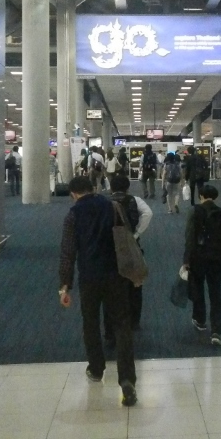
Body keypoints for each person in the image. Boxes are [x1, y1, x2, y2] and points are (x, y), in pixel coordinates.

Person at [58, 175, 137, 406]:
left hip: (89, 277)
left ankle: (96, 368)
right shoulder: (113, 206)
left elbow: (68, 252)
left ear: (73, 194)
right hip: (115, 274)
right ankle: (127, 379)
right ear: (93, 189)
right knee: (122, 324)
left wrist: (65, 285)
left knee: (90, 322)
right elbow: (126, 238)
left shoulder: (73, 215)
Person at [105, 174, 152, 342]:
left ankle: (111, 324)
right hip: (131, 245)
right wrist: (136, 233)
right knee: (135, 282)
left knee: (111, 286)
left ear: (111, 187)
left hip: (110, 247)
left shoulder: (105, 202)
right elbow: (148, 213)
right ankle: (134, 320)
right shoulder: (135, 200)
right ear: (127, 187)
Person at [183, 185, 221, 346]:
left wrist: (186, 260)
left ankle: (200, 320)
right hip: (216, 258)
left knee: (198, 288)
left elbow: (190, 237)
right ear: (215, 197)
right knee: (215, 293)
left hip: (198, 257)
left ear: (201, 196)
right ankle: (216, 330)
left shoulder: (195, 211)